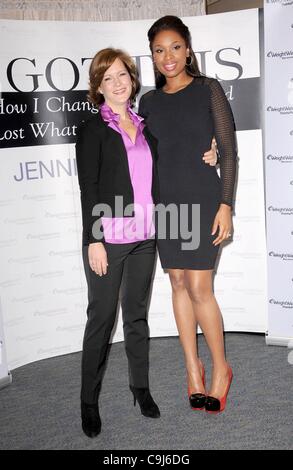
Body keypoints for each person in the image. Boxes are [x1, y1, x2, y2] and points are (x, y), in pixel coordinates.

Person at [76, 47, 219, 437]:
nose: (118, 83)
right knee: (102, 320)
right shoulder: (92, 130)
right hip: (109, 239)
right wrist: (94, 239)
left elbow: (178, 153)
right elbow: (88, 187)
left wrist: (214, 150)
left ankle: (140, 389)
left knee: (136, 318)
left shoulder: (145, 126)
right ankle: (89, 401)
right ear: (98, 87)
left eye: (122, 75)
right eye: (108, 79)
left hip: (145, 237)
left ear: (132, 79)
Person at [138, 16, 237, 414]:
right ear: (152, 55)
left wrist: (226, 205)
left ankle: (221, 370)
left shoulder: (208, 89)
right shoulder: (147, 101)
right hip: (166, 202)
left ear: (188, 49)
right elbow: (143, 157)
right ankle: (192, 370)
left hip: (201, 198)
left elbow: (228, 151)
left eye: (175, 47)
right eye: (159, 50)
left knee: (200, 288)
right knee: (177, 282)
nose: (168, 57)